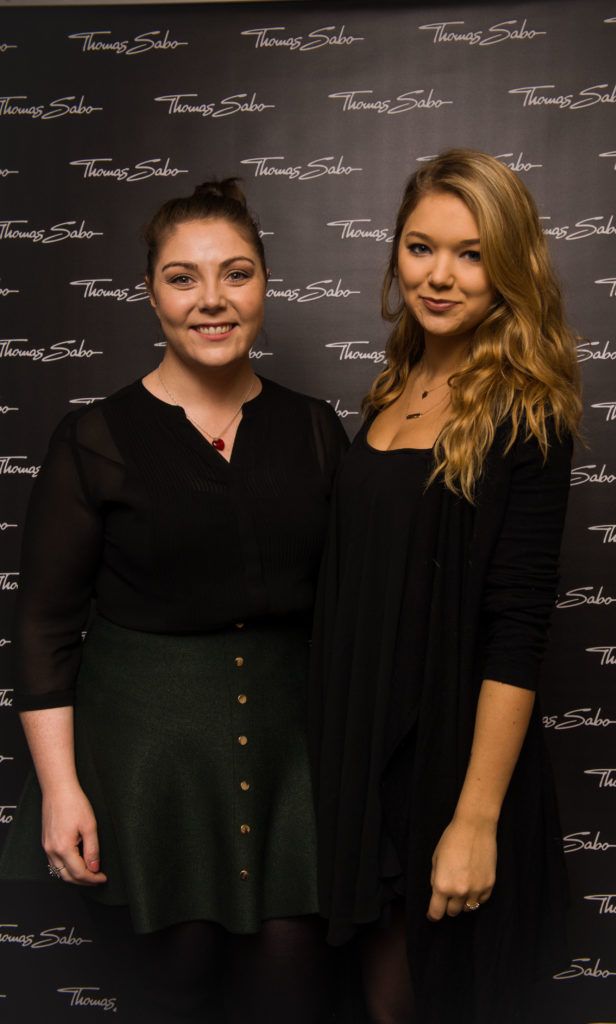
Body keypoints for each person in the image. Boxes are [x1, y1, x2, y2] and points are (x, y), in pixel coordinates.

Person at [0, 179, 348, 1023]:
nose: (212, 301)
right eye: (183, 277)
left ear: (266, 284)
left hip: (290, 757)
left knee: (292, 983)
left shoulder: (314, 429)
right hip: (148, 759)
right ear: (150, 291)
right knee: (179, 980)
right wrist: (61, 789)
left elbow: (353, 605)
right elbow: (45, 627)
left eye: (236, 273)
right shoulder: (94, 439)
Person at [309, 149, 581, 1024]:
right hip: (366, 758)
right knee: (376, 999)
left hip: (448, 766)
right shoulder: (393, 388)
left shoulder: (525, 409)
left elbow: (516, 628)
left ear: (507, 266)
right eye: (421, 247)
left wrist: (474, 820)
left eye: (469, 254)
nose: (440, 276)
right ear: (395, 252)